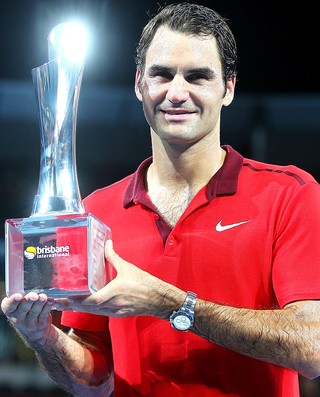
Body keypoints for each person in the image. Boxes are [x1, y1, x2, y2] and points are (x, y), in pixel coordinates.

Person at [1, 2, 320, 396]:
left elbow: (313, 348)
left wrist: (170, 304)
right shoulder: (96, 211)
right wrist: (42, 337)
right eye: (162, 75)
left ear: (229, 88)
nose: (177, 93)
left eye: (198, 77)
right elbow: (94, 379)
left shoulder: (289, 194)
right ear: (139, 84)